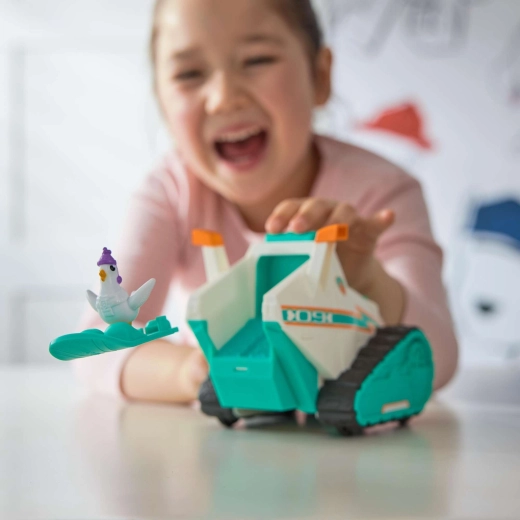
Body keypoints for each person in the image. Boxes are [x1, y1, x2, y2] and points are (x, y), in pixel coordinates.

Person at [74, 0, 458, 403]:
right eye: (189, 74)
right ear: (163, 104)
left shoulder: (384, 193)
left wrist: (368, 282)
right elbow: (97, 344)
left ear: (320, 76)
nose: (224, 98)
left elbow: (439, 359)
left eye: (257, 60)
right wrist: (193, 374)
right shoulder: (170, 192)